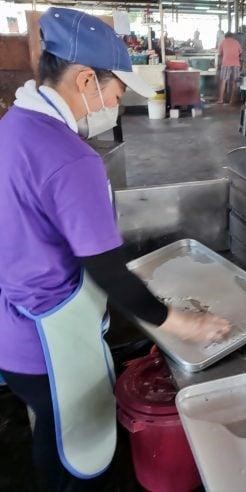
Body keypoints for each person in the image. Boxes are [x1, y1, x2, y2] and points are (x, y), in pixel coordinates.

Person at [0, 8, 231, 491]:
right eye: (117, 89)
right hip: (50, 340)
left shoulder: (14, 125)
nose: (117, 101)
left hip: (12, 325)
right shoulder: (70, 159)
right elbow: (106, 269)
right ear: (86, 79)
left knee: (53, 435)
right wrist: (178, 320)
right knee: (78, 455)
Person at [217, 32, 242, 104]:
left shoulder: (223, 42)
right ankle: (232, 100)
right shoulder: (236, 42)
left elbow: (220, 54)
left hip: (225, 63)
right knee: (234, 82)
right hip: (236, 64)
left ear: (225, 36)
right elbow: (240, 52)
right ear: (232, 36)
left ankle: (221, 99)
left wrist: (219, 64)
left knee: (223, 81)